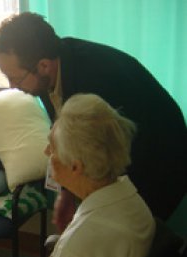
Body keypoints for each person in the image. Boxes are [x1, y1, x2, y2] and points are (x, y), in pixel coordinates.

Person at [0, 12, 187, 230]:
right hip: (132, 155)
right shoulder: (47, 75)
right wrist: (66, 192)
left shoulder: (96, 79)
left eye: (14, 78)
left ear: (44, 65)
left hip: (161, 157)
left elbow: (112, 161)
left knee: (133, 235)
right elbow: (68, 144)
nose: (12, 86)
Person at [45, 93, 155, 257]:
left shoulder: (77, 243)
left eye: (52, 147)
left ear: (75, 167)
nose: (46, 151)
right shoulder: (134, 201)